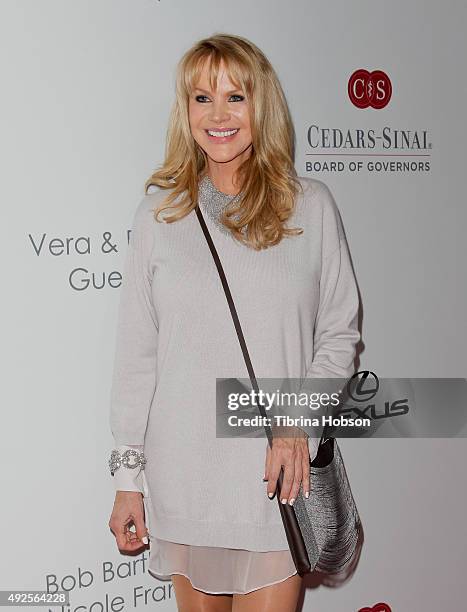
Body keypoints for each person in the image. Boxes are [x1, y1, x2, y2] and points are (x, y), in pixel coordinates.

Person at [107, 33, 360, 612]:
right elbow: (136, 354)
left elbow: (340, 331)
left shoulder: (310, 206)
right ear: (185, 111)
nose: (218, 115)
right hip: (185, 472)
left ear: (261, 105)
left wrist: (298, 424)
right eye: (202, 98)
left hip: (274, 472)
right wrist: (128, 479)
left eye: (235, 97)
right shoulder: (159, 216)